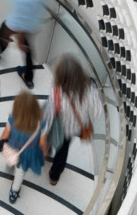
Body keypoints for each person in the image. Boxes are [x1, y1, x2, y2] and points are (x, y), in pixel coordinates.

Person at [41, 55, 103, 187]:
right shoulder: (90, 89)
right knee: (63, 151)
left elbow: (49, 116)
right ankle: (54, 176)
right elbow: (97, 112)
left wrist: (45, 135)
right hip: (76, 128)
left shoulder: (57, 93)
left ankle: (49, 149)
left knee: (55, 141)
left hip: (60, 126)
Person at [0, 90, 46, 204]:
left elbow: (5, 135)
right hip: (27, 153)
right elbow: (42, 142)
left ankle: (10, 163)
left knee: (12, 159)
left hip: (12, 148)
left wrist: (2, 142)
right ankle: (14, 191)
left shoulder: (12, 119)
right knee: (20, 173)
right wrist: (42, 151)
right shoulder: (41, 123)